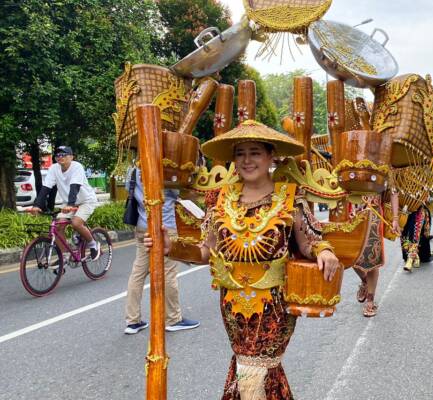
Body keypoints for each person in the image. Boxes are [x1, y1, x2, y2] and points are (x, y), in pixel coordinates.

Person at [146, 121, 339, 399]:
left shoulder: (290, 197)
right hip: (232, 304)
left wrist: (325, 251)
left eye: (255, 152)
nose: (247, 160)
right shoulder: (220, 199)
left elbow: (309, 241)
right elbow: (205, 251)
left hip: (274, 304)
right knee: (246, 366)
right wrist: (170, 248)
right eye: (240, 154)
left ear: (271, 156)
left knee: (261, 368)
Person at [123, 167, 200, 335]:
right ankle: (173, 319)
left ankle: (132, 321)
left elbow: (128, 189)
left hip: (143, 226)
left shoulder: (133, 170)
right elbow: (184, 191)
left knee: (138, 273)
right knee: (169, 273)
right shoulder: (165, 168)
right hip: (165, 227)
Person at [29, 146, 101, 260]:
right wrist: (37, 205)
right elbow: (46, 188)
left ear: (71, 157)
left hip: (86, 201)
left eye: (63, 154)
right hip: (68, 203)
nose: (60, 157)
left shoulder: (77, 167)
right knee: (57, 226)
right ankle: (64, 256)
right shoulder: (54, 168)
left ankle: (93, 245)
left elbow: (74, 187)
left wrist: (71, 205)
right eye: (57, 155)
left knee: (76, 223)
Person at [352, 189, 399, 317]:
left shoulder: (384, 168)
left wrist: (395, 219)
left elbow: (394, 191)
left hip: (374, 217)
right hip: (352, 214)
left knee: (373, 258)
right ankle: (365, 281)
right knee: (351, 258)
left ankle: (370, 300)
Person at [401, 205, 433, 271]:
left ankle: (411, 258)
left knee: (415, 234)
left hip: (419, 211)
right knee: (405, 232)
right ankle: (411, 256)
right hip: (405, 210)